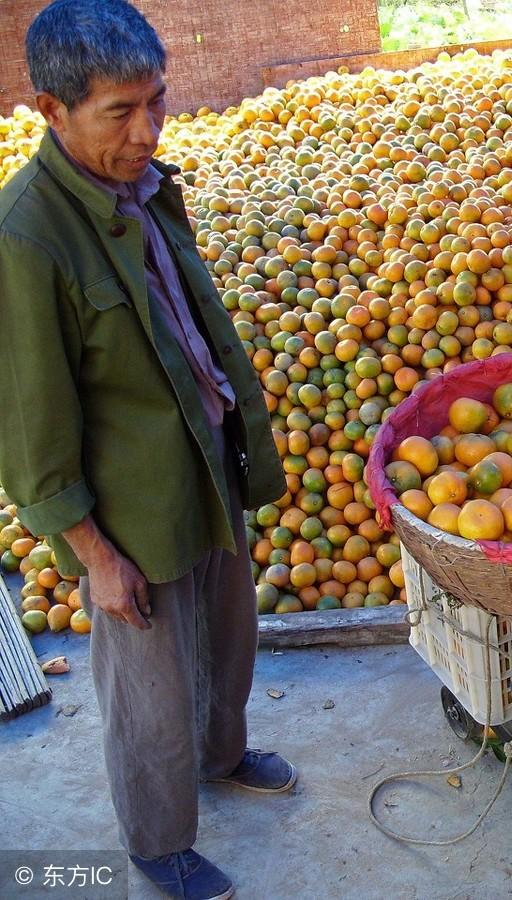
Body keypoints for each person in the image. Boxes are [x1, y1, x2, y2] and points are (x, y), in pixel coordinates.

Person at [0, 3, 292, 897]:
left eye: (156, 103)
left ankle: (224, 753)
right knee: (149, 687)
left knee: (228, 634)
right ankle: (158, 839)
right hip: (130, 505)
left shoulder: (148, 185)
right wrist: (93, 554)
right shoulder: (26, 235)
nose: (147, 130)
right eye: (119, 113)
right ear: (51, 110)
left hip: (205, 461)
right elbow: (28, 423)